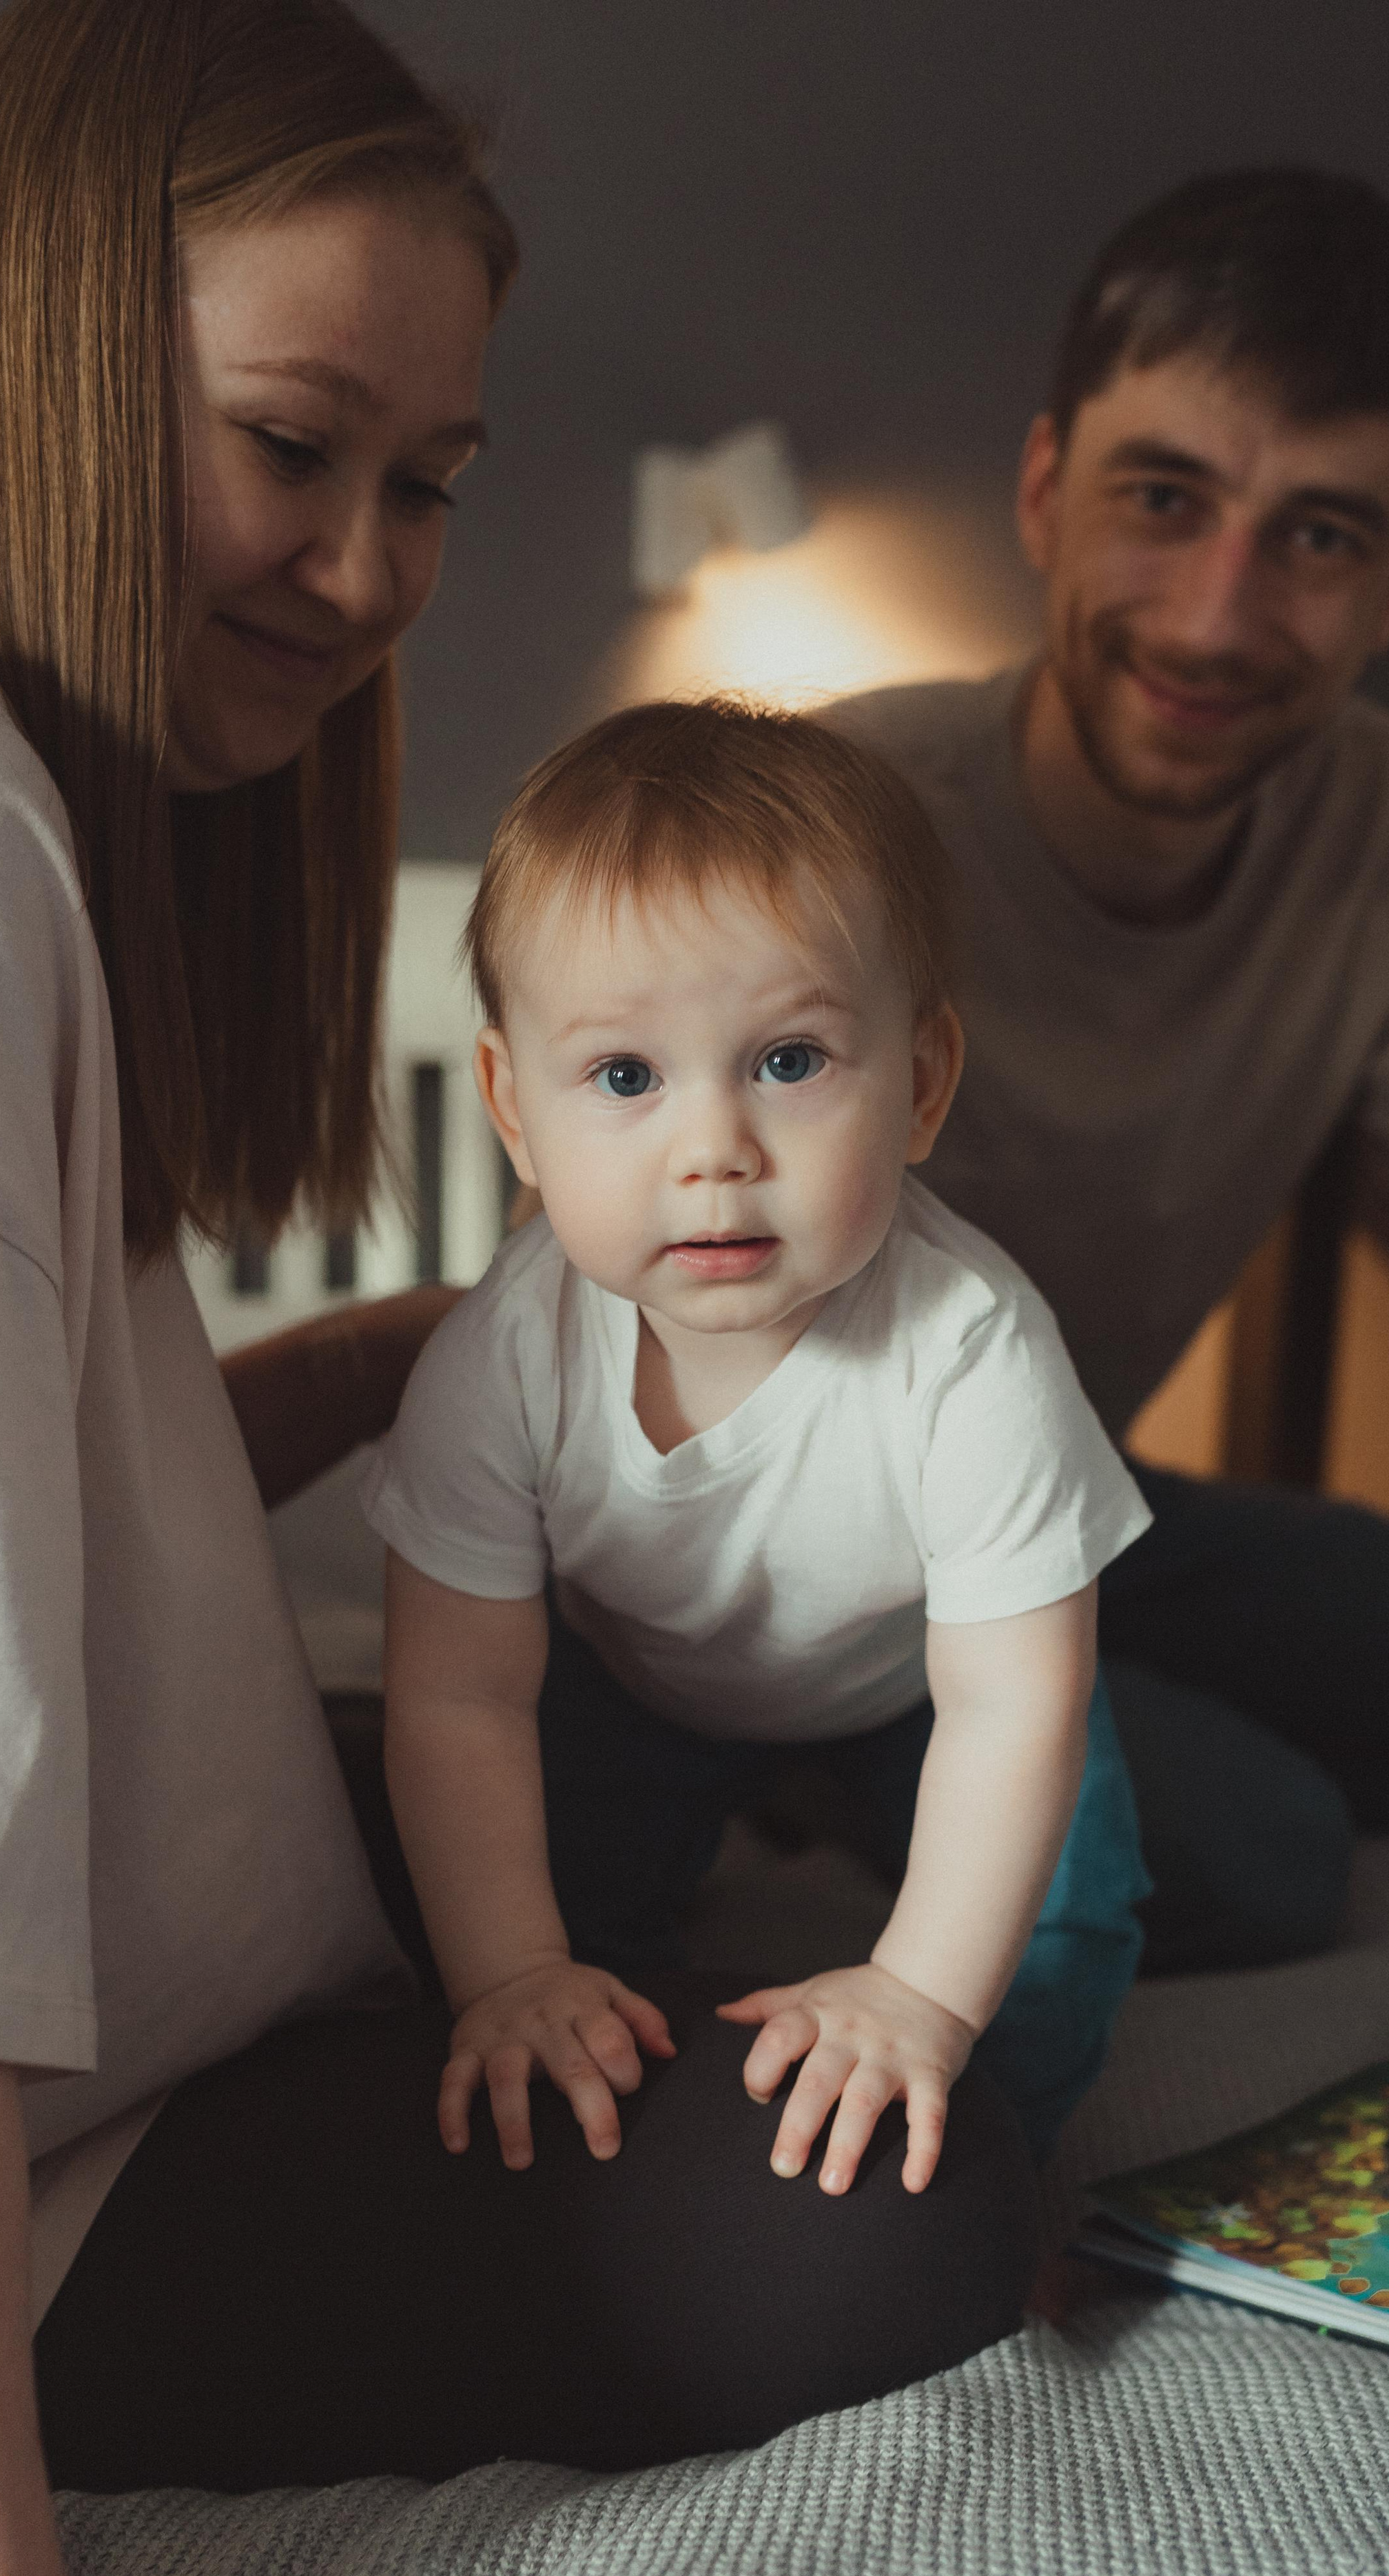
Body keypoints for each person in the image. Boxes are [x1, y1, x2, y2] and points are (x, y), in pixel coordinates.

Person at [0, 7, 1036, 2576]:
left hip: (176, 1974)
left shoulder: (44, 821)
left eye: (426, 483)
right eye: (288, 446)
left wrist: (346, 1378)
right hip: (50, 2143)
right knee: (909, 2208)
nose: (363, 574)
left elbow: (11, 1502)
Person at [821, 168, 1389, 1974]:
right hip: (803, 1571)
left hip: (1082, 1511)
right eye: (1164, 500)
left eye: (1316, 536)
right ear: (1046, 493)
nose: (1219, 619)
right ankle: (830, 1767)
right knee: (1262, 1855)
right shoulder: (831, 813)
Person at [362, 698, 1153, 2189]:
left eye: (789, 1061)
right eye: (625, 1078)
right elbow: (459, 1698)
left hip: (912, 1690)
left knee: (1068, 1912)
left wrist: (916, 1994)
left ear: (922, 1083)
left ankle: (1011, 2185)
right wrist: (513, 1971)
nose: (713, 1149)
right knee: (505, 1905)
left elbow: (1008, 1710)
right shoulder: (502, 1359)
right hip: (639, 1681)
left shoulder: (974, 1348)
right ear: (513, 1110)